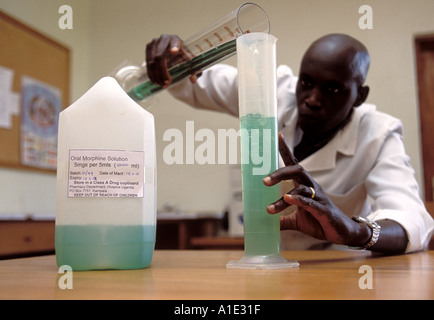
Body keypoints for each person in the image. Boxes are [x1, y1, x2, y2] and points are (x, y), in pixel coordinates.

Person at [145, 33, 434, 254]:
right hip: (267, 263)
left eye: (333, 89)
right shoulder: (274, 93)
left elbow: (412, 220)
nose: (312, 99)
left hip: (336, 271)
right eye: (306, 83)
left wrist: (354, 231)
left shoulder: (379, 134)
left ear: (359, 96)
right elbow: (195, 83)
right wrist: (172, 62)